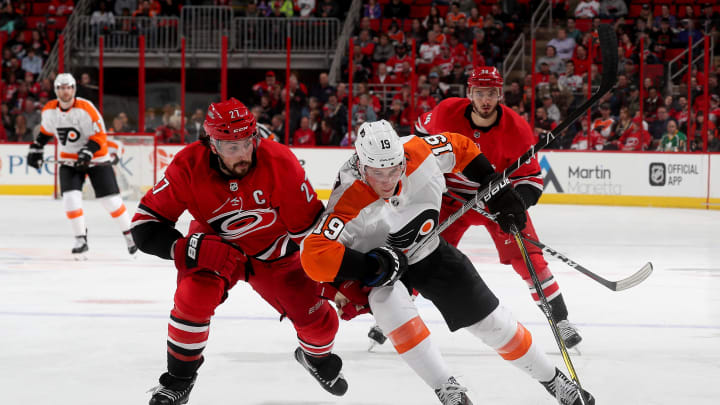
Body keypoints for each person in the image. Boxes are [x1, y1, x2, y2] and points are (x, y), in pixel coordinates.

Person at [300, 119, 595, 405]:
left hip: (430, 250)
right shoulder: (347, 197)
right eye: (378, 173)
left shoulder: (418, 151)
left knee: (492, 324)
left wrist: (496, 188)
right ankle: (446, 387)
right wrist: (374, 267)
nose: (388, 181)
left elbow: (462, 147)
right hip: (385, 270)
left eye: (395, 169)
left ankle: (553, 379)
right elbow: (313, 255)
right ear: (361, 166)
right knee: (391, 311)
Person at [130, 98, 348, 405]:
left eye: (248, 143)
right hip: (217, 248)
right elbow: (144, 224)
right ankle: (178, 380)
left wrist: (338, 278)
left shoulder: (281, 162)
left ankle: (313, 357)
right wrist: (182, 247)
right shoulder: (187, 164)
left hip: (276, 252)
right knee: (193, 297)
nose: (243, 154)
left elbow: (310, 234)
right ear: (211, 144)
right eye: (232, 147)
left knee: (321, 324)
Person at [413, 67, 583, 348]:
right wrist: (429, 177)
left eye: (491, 93)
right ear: (469, 94)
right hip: (451, 197)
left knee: (529, 258)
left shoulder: (517, 128)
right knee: (422, 252)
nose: (485, 100)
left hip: (497, 201)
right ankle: (400, 316)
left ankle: (561, 320)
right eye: (479, 93)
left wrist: (516, 206)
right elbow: (419, 131)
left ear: (500, 94)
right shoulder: (445, 113)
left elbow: (531, 180)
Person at [26, 73, 136, 258]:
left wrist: (87, 152)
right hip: (69, 160)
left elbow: (99, 136)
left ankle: (130, 236)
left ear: (74, 89)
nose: (65, 91)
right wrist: (36, 148)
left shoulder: (86, 108)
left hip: (97, 158)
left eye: (68, 87)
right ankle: (80, 239)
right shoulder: (49, 110)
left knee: (110, 202)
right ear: (56, 90)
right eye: (61, 87)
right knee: (70, 199)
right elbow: (45, 132)